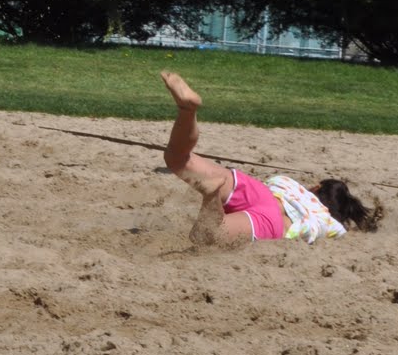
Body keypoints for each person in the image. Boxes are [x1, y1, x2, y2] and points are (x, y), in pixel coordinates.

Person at [160, 70, 382, 245]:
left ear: (315, 187)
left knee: (178, 159)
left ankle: (187, 111)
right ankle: (212, 196)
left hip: (261, 192)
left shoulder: (291, 186)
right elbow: (339, 233)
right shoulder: (328, 223)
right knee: (207, 237)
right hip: (274, 220)